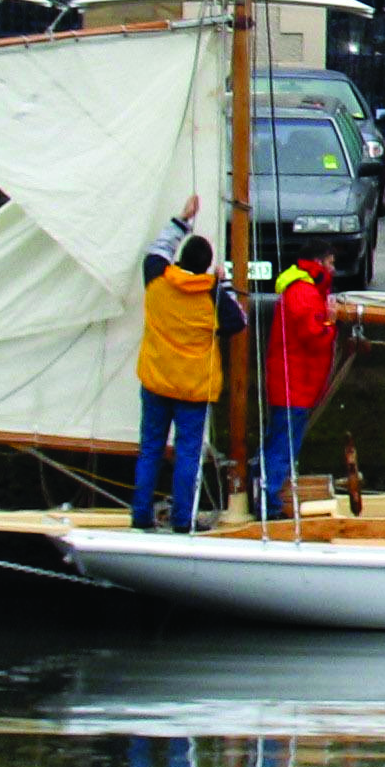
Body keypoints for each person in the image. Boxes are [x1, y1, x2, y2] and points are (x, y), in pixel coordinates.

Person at [133, 194, 247, 533]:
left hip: (156, 380)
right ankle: (182, 521)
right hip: (193, 388)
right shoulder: (212, 295)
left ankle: (140, 516)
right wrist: (223, 282)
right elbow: (238, 322)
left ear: (180, 259)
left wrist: (183, 220)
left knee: (151, 449)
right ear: (207, 266)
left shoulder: (156, 277)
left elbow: (158, 249)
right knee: (186, 456)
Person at [258, 243, 336, 518]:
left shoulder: (300, 290)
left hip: (291, 383)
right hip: (295, 384)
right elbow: (314, 337)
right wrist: (330, 323)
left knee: (278, 441)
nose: (333, 268)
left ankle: (265, 494)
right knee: (282, 445)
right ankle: (268, 504)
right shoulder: (304, 293)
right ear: (318, 262)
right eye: (330, 262)